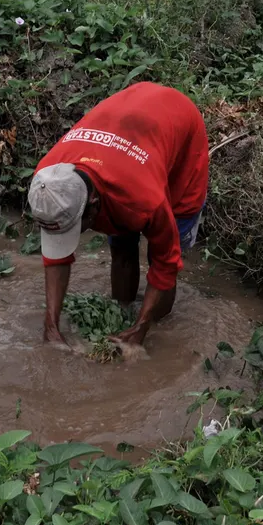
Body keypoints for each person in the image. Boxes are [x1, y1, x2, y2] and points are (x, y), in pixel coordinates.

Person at [28, 82, 209, 348]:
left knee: (163, 251)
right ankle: (123, 311)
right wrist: (51, 325)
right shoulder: (48, 182)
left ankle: (151, 325)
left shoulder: (143, 199)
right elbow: (57, 256)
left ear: (93, 208)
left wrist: (142, 327)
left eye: (76, 228)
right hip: (128, 124)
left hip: (180, 129)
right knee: (122, 250)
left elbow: (165, 265)